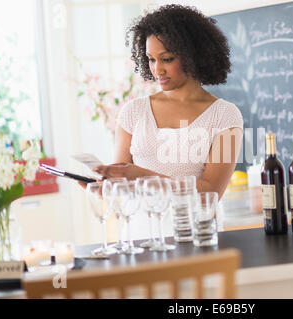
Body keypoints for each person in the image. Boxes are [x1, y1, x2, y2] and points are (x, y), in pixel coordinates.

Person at [92, 4, 243, 200]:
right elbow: (121, 187)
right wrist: (103, 190)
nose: (157, 70)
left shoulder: (224, 116)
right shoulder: (133, 112)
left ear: (193, 56)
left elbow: (211, 193)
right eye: (151, 59)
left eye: (167, 59)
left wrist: (141, 175)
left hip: (195, 230)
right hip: (140, 230)